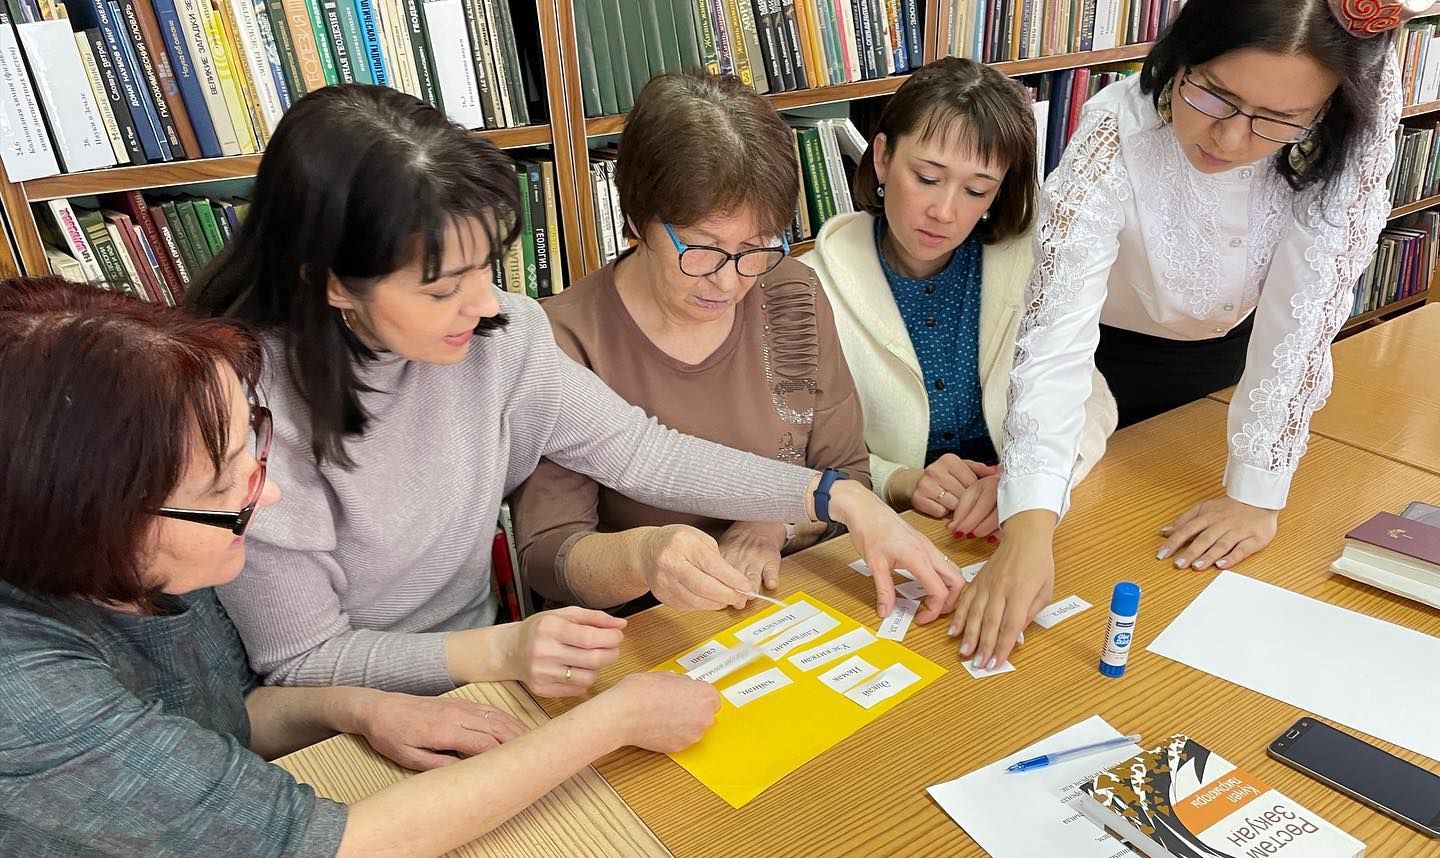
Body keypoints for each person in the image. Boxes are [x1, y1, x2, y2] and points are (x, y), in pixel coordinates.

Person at [188, 85, 963, 697]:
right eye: (443, 288)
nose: (488, 305)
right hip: (362, 707)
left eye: (488, 267)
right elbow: (303, 660)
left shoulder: (503, 338)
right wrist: (502, 649)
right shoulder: (240, 417)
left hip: (489, 676)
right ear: (331, 285)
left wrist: (836, 497)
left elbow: (642, 451)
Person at [0, 277, 720, 858]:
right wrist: (611, 722)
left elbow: (221, 713)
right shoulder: (26, 690)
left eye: (254, 450)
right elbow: (333, 855)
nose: (270, 492)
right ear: (95, 522)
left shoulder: (148, 559)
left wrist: (359, 707)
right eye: (225, 485)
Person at [951, 0, 1414, 669]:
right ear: (1182, 54)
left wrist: (1256, 494)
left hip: (1237, 365)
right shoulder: (1117, 130)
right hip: (1105, 366)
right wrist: (1029, 524)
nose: (1229, 140)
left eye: (1276, 122)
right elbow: (1053, 336)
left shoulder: (1344, 139)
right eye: (1215, 96)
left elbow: (1305, 314)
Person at [512, 74, 870, 612]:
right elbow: (548, 558)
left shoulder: (790, 292)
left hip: (787, 600)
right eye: (701, 249)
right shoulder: (562, 338)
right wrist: (644, 558)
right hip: (647, 629)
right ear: (635, 219)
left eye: (755, 247)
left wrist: (772, 520)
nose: (728, 282)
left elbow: (847, 475)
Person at [802, 57, 1116, 541]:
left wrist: (1029, 485)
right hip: (889, 529)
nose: (944, 211)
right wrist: (899, 482)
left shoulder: (1035, 262)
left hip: (1016, 518)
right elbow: (798, 453)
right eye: (927, 178)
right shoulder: (809, 286)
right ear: (882, 157)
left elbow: (1092, 403)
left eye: (976, 190)